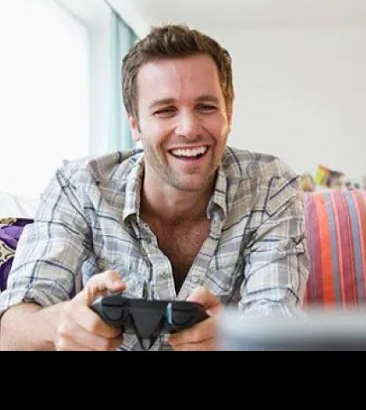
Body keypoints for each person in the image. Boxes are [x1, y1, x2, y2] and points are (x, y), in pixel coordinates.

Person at [0, 24, 310, 350]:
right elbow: (10, 330)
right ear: (134, 124)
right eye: (165, 110)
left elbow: (277, 324)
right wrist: (60, 324)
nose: (189, 129)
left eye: (206, 106)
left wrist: (233, 339)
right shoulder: (79, 185)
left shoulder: (270, 186)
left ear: (228, 113)